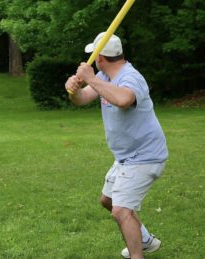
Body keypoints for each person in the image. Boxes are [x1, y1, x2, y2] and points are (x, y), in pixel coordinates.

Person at [65, 32, 168, 259]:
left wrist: (91, 78)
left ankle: (136, 255)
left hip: (145, 156)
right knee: (108, 201)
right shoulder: (104, 76)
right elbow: (82, 98)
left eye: (94, 54)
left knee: (121, 211)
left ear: (100, 57)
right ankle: (145, 240)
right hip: (126, 157)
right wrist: (73, 91)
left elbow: (123, 99)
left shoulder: (130, 77)